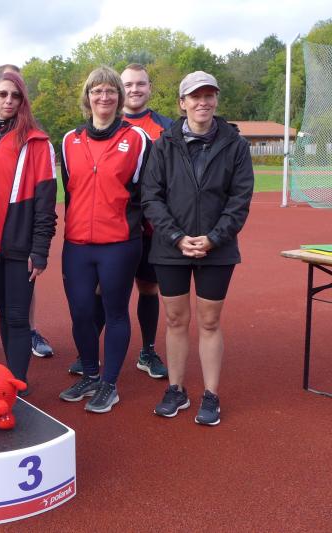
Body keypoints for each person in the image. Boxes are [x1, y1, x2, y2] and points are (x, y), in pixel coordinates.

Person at [142, 71, 253, 426]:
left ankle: (211, 394)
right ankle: (176, 389)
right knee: (175, 319)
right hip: (170, 247)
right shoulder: (163, 144)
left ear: (216, 100)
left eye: (209, 95)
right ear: (182, 102)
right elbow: (151, 197)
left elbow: (239, 200)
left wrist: (214, 238)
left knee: (209, 321)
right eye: (195, 96)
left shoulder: (235, 145)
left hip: (217, 249)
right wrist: (177, 236)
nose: (203, 102)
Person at [68, 63, 171, 379]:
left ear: (148, 88)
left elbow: (159, 185)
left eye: (141, 84)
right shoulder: (74, 138)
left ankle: (147, 350)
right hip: (100, 232)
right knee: (98, 294)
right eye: (130, 84)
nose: (135, 89)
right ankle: (89, 357)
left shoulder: (161, 129)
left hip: (141, 230)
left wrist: (159, 227)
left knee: (147, 288)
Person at [58, 66, 151, 413]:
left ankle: (109, 384)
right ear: (88, 97)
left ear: (119, 96)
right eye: (97, 90)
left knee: (115, 312)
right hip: (77, 244)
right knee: (82, 312)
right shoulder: (69, 140)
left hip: (120, 244)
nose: (104, 96)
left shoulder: (138, 139)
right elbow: (70, 190)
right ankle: (90, 374)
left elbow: (146, 192)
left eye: (111, 90)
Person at [0, 71, 57, 391]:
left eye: (15, 95)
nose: (8, 101)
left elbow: (46, 203)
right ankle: (12, 379)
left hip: (20, 243)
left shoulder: (37, 142)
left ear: (23, 101)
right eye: (2, 94)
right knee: (5, 314)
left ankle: (18, 385)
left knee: (18, 317)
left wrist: (40, 250)